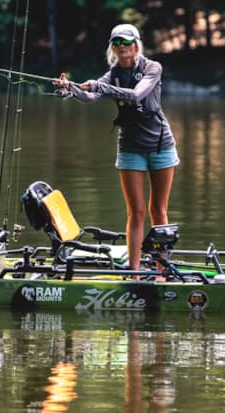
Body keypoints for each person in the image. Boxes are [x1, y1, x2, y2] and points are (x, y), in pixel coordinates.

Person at [53, 23, 179, 276]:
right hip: (130, 148)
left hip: (160, 145)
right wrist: (72, 89)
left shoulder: (153, 68)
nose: (123, 47)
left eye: (127, 42)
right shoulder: (111, 75)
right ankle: (134, 270)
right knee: (137, 211)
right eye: (117, 43)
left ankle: (161, 270)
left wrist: (99, 87)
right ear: (112, 47)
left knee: (158, 210)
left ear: (136, 45)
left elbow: (136, 95)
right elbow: (89, 97)